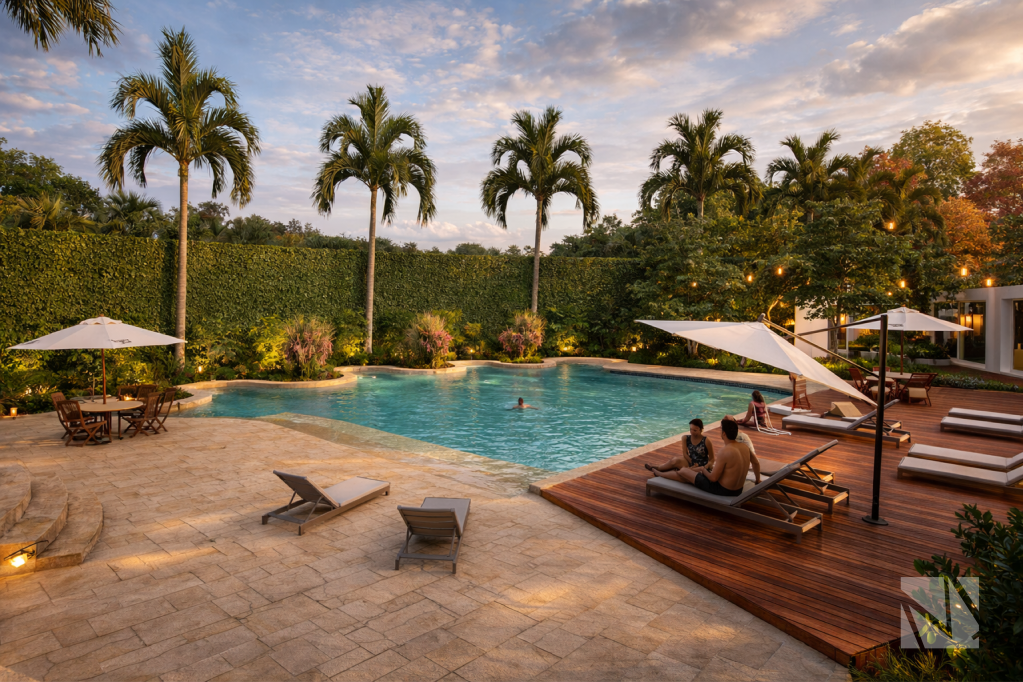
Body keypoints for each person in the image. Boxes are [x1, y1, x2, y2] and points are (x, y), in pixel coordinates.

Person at [649, 419, 754, 495]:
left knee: (684, 471)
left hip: (722, 490)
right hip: (738, 490)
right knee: (690, 471)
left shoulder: (724, 451)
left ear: (724, 434)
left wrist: (703, 470)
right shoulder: (744, 447)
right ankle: (663, 472)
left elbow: (713, 478)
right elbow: (755, 463)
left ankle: (660, 474)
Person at [645, 418, 714, 474]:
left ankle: (662, 473)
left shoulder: (706, 441)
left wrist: (706, 466)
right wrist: (691, 462)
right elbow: (685, 454)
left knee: (681, 472)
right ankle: (657, 468)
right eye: (690, 429)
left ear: (701, 429)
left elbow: (712, 458)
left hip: (701, 465)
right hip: (689, 461)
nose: (692, 432)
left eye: (695, 430)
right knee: (674, 461)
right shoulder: (686, 438)